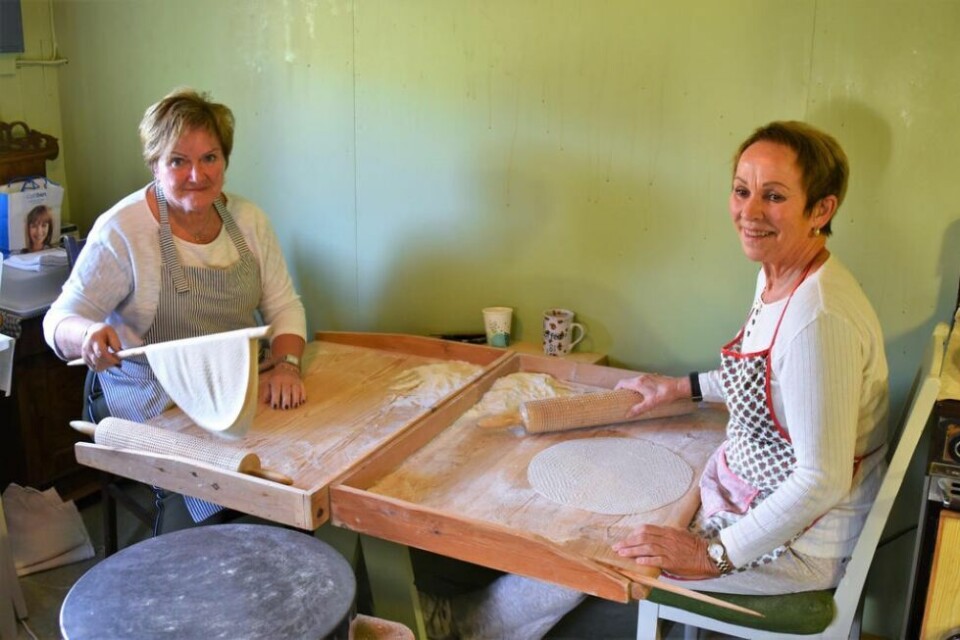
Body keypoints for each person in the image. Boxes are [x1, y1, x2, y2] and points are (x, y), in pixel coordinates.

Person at [418, 120, 889, 639]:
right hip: (756, 486)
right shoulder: (782, 270)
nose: (749, 212)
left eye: (773, 196)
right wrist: (682, 388)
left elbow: (821, 481)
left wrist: (714, 554)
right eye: (741, 190)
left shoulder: (819, 318)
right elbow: (769, 379)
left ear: (822, 209)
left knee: (602, 535)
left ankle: (465, 629)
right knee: (610, 490)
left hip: (799, 545)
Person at [43, 87, 308, 522]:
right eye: (178, 161)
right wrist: (87, 335)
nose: (196, 176)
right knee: (225, 495)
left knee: (296, 472)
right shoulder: (122, 230)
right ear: (154, 164)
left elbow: (284, 306)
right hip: (154, 397)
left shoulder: (249, 220)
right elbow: (57, 320)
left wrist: (286, 365)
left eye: (210, 158)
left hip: (234, 382)